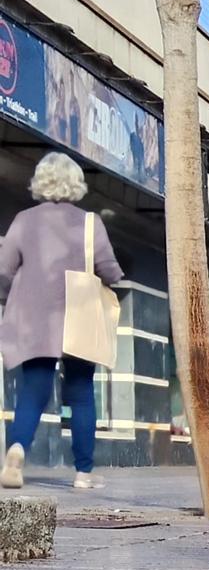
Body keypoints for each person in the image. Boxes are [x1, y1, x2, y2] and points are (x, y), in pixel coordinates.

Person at [0, 152, 123, 490]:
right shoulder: (89, 223)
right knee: (81, 392)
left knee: (34, 390)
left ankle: (16, 450)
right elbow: (109, 269)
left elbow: (3, 270)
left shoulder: (23, 220)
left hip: (34, 319)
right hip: (78, 316)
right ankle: (83, 473)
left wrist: (16, 294)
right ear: (75, 183)